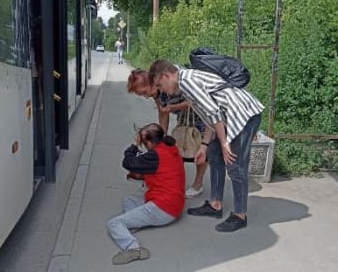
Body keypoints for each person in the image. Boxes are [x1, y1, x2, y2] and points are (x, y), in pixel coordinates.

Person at [149, 59, 264, 232]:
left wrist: (225, 142)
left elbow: (213, 112)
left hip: (243, 116)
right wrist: (204, 145)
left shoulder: (187, 81)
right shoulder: (183, 82)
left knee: (235, 165)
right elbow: (209, 115)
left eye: (160, 84)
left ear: (166, 75)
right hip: (225, 117)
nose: (162, 90)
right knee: (215, 155)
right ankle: (215, 205)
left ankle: (240, 215)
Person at [107, 123, 185, 265]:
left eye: (143, 142)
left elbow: (128, 162)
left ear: (149, 142)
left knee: (114, 224)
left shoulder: (155, 155)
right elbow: (165, 172)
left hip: (163, 208)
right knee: (129, 200)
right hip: (174, 203)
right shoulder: (170, 148)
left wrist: (134, 145)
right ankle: (134, 223)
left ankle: (133, 248)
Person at [127, 69, 208, 198]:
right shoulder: (156, 93)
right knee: (179, 145)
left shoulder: (172, 83)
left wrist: (174, 108)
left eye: (145, 92)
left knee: (200, 146)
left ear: (152, 83)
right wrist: (161, 137)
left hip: (201, 112)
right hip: (184, 114)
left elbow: (198, 100)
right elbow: (163, 111)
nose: (146, 96)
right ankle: (174, 182)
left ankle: (197, 184)